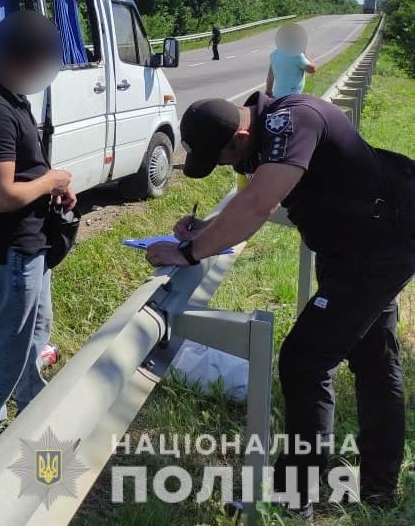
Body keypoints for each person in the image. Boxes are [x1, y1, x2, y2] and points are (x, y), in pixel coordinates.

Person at [146, 93, 413, 517]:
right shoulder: (268, 130)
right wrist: (204, 229)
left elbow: (258, 202)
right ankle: (378, 488)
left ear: (241, 134)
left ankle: (294, 500)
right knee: (372, 358)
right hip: (354, 245)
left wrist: (191, 252)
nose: (234, 168)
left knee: (304, 362)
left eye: (229, 159)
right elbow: (253, 195)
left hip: (379, 247)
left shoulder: (292, 122)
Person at [0, 11, 76, 433]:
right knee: (11, 335)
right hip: (9, 244)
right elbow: (3, 196)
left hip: (29, 239)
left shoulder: (9, 95)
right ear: (20, 60)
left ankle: (30, 403)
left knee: (37, 326)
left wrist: (52, 186)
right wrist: (53, 180)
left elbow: (22, 171)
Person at [266, 23, 317, 98]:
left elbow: (270, 77)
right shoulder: (296, 54)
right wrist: (304, 53)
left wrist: (268, 91)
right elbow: (312, 69)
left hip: (277, 95)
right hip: (293, 96)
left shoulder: (274, 54)